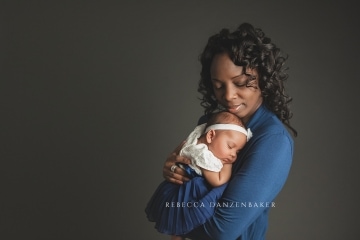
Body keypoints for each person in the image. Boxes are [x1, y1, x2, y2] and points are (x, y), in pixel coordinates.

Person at [162, 22, 297, 240]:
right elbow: (190, 185)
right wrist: (175, 171)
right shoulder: (211, 124)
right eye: (218, 85)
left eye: (241, 83)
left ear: (262, 76)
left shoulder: (273, 141)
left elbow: (222, 231)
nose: (228, 96)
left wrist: (171, 220)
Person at [145, 111, 252, 240]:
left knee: (178, 226)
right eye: (230, 146)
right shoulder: (203, 155)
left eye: (238, 151)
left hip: (179, 192)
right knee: (184, 221)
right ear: (210, 136)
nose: (233, 155)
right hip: (189, 195)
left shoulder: (198, 137)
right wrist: (228, 166)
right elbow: (218, 181)